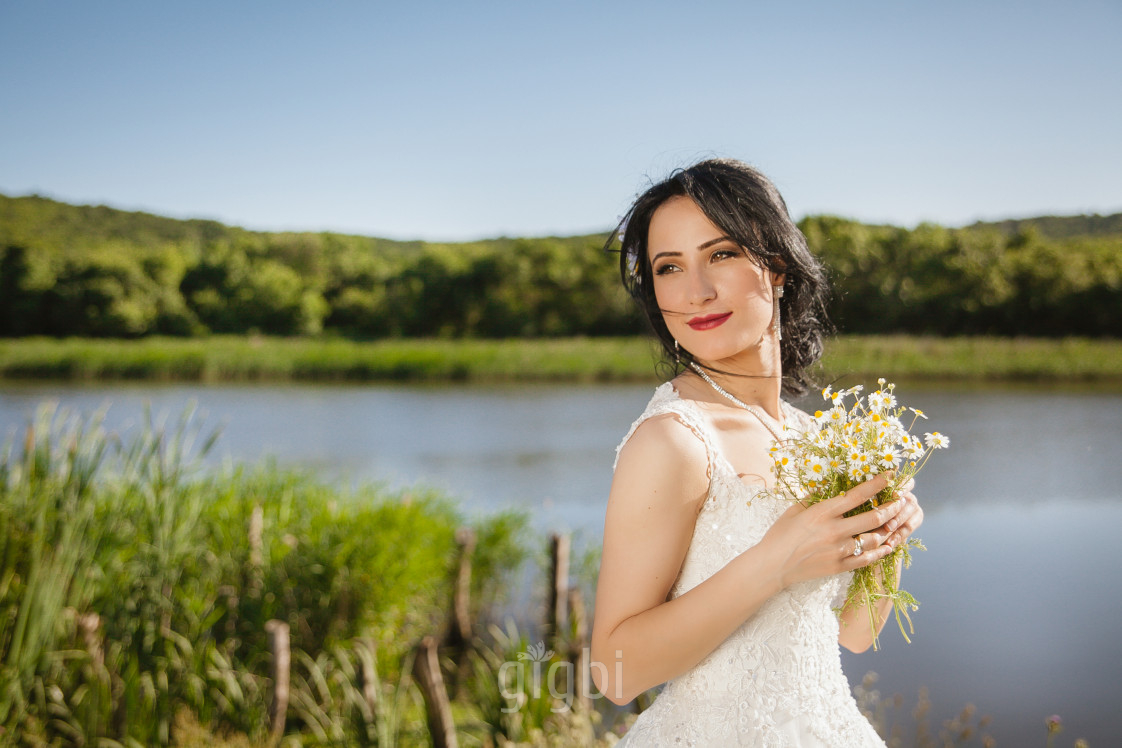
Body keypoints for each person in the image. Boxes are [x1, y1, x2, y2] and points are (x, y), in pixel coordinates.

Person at [589, 159, 924, 746]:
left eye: (720, 254)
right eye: (670, 268)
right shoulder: (674, 439)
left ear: (776, 266)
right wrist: (775, 561)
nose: (696, 292)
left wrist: (889, 540)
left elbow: (852, 634)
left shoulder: (813, 438)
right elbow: (614, 673)